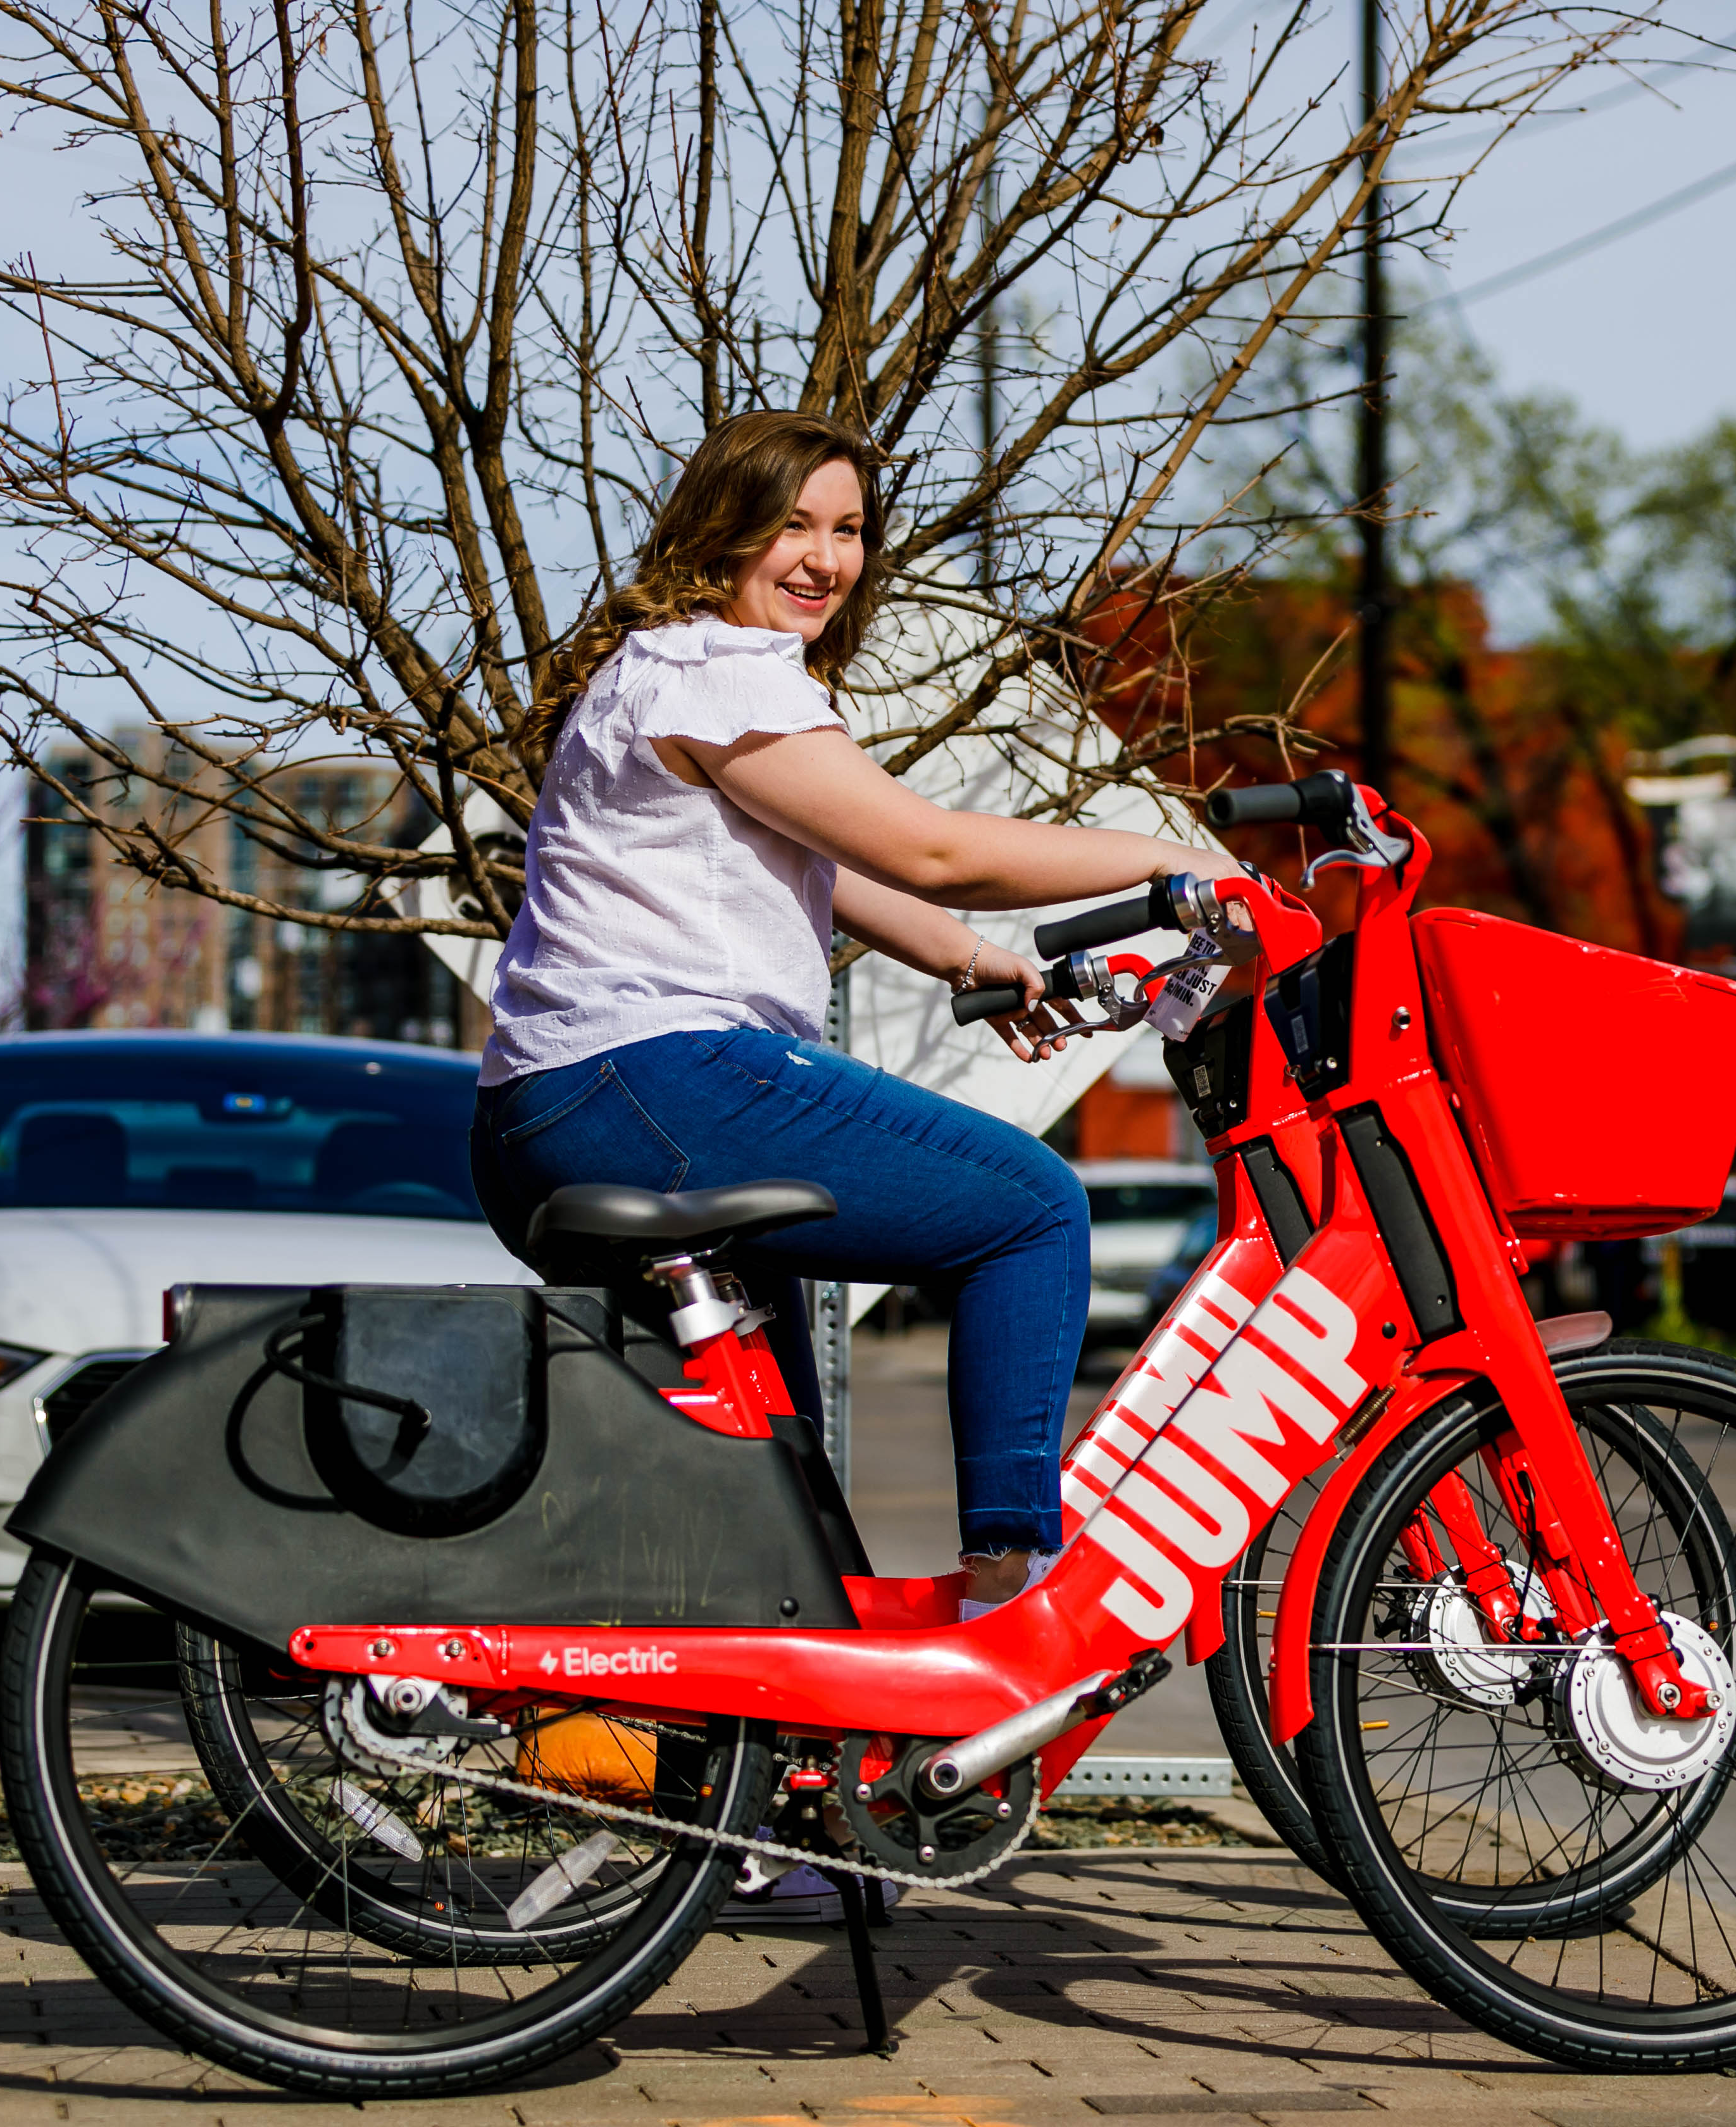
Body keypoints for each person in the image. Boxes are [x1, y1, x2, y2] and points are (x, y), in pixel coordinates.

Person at [470, 408, 1240, 1628]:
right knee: (1031, 1210)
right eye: (791, 527)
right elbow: (929, 847)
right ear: (721, 534)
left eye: (849, 531)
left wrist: (971, 963)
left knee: (778, 1509)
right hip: (656, 1077)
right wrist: (1179, 870)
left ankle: (768, 1777)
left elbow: (839, 870)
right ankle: (1010, 1585)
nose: (825, 558)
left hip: (559, 1103)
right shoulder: (724, 674)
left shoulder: (662, 667)